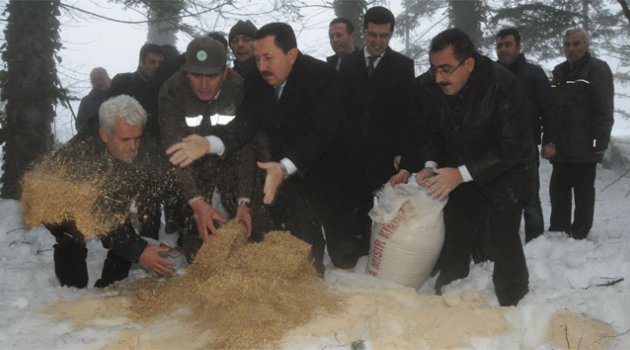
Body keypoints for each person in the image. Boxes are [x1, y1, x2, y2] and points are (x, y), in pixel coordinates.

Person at [166, 22, 358, 273]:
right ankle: (304, 280)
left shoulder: (322, 77)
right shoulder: (256, 81)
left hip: (325, 170)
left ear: (291, 55)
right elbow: (244, 125)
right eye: (257, 59)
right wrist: (209, 143)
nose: (262, 67)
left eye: (268, 58)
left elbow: (320, 134)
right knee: (298, 239)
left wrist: (285, 166)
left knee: (343, 250)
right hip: (280, 173)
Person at [391, 28, 534, 306]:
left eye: (446, 69)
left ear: (468, 63)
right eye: (434, 69)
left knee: (504, 237)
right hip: (459, 169)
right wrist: (431, 165)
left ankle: (514, 301)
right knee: (456, 228)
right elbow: (432, 132)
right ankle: (450, 287)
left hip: (508, 173)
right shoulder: (433, 86)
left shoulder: (504, 85)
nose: (439, 77)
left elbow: (511, 147)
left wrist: (461, 173)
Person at [42, 95, 175, 289]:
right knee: (72, 236)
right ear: (105, 135)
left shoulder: (128, 142)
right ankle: (72, 293)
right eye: (126, 139)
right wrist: (140, 252)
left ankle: (110, 286)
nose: (133, 147)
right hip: (56, 201)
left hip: (105, 191)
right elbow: (106, 220)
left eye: (137, 138)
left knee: (125, 230)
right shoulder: (84, 158)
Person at [158, 36, 260, 255]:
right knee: (197, 246)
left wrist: (244, 199)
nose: (204, 86)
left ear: (226, 73)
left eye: (212, 76)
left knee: (253, 230)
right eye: (196, 76)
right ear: (186, 73)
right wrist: (196, 202)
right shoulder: (172, 91)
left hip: (229, 160)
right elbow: (175, 153)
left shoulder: (238, 88)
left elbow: (245, 146)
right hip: (191, 167)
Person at [337, 6, 415, 265]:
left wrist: (403, 155)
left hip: (386, 156)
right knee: (353, 210)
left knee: (387, 211)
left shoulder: (403, 66)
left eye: (384, 36)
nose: (378, 41)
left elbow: (407, 114)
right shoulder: (348, 65)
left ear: (391, 34)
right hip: (352, 155)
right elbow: (341, 110)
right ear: (363, 32)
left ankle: (384, 259)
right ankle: (354, 258)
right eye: (372, 35)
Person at [495, 28, 560, 242]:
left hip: (526, 146)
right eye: (500, 45)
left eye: (508, 44)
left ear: (518, 47)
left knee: (530, 196)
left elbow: (549, 109)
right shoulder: (492, 74)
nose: (503, 49)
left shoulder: (533, 74)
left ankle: (535, 241)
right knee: (498, 196)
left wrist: (550, 140)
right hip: (496, 148)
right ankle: (501, 239)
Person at [549, 28, 614, 239]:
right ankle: (559, 230)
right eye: (567, 44)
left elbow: (604, 110)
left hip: (585, 146)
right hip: (561, 147)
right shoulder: (559, 72)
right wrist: (549, 139)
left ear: (586, 45)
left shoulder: (597, 70)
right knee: (558, 192)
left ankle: (580, 233)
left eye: (576, 44)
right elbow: (551, 109)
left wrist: (599, 144)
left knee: (584, 193)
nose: (571, 49)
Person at [76, 67, 110, 133]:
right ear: (91, 82)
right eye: (95, 80)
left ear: (108, 79)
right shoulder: (86, 102)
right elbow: (79, 125)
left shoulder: (118, 98)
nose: (98, 82)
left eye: (101, 79)